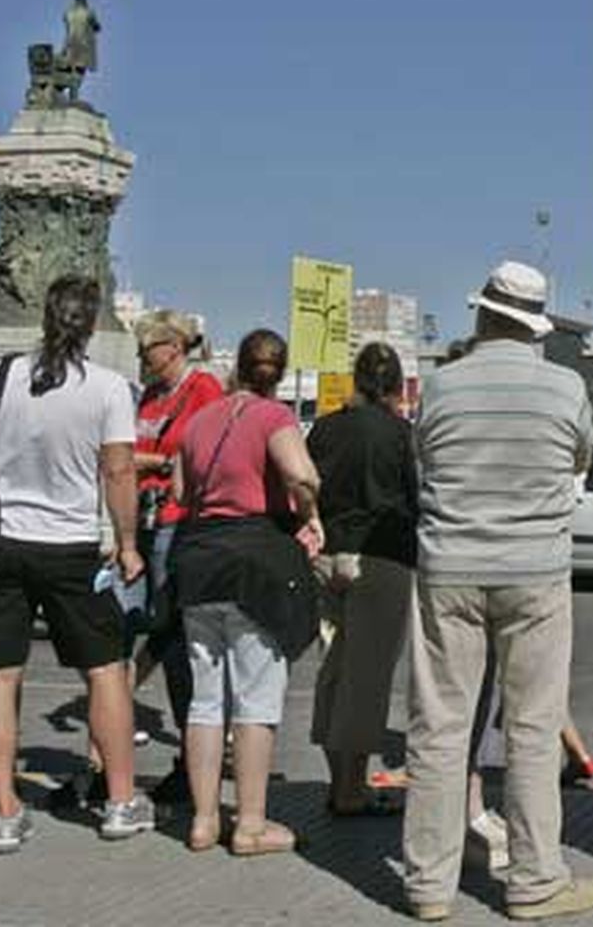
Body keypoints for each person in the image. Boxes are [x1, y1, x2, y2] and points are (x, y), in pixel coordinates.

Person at [403, 260, 593, 921]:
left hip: (448, 568)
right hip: (535, 571)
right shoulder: (564, 386)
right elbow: (579, 457)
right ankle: (534, 882)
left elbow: (424, 460)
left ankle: (428, 886)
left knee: (437, 729)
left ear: (481, 313)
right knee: (532, 728)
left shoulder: (439, 387)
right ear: (535, 325)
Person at [0, 275, 154, 854]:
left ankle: (6, 811)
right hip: (70, 548)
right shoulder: (109, 388)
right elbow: (118, 471)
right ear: (92, 324)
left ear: (44, 317)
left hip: (4, 543)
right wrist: (128, 541)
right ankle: (119, 801)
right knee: (104, 670)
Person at [172, 328, 323, 856]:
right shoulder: (274, 417)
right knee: (255, 700)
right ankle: (252, 823)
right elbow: (302, 475)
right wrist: (310, 511)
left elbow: (179, 492)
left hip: (198, 565)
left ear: (237, 365)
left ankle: (204, 819)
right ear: (278, 374)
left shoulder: (199, 420)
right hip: (252, 568)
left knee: (206, 700)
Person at [307, 341, 418, 815]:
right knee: (367, 679)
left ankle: (338, 782)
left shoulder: (325, 429)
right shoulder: (399, 434)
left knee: (332, 670)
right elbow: (413, 498)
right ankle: (353, 789)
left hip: (326, 557)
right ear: (395, 386)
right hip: (381, 558)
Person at [131, 309, 223, 801]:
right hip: (139, 521)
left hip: (175, 521)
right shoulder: (149, 396)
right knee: (148, 631)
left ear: (173, 348)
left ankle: (195, 756)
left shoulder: (202, 389)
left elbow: (201, 451)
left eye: (148, 349)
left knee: (172, 634)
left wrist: (149, 460)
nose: (144, 359)